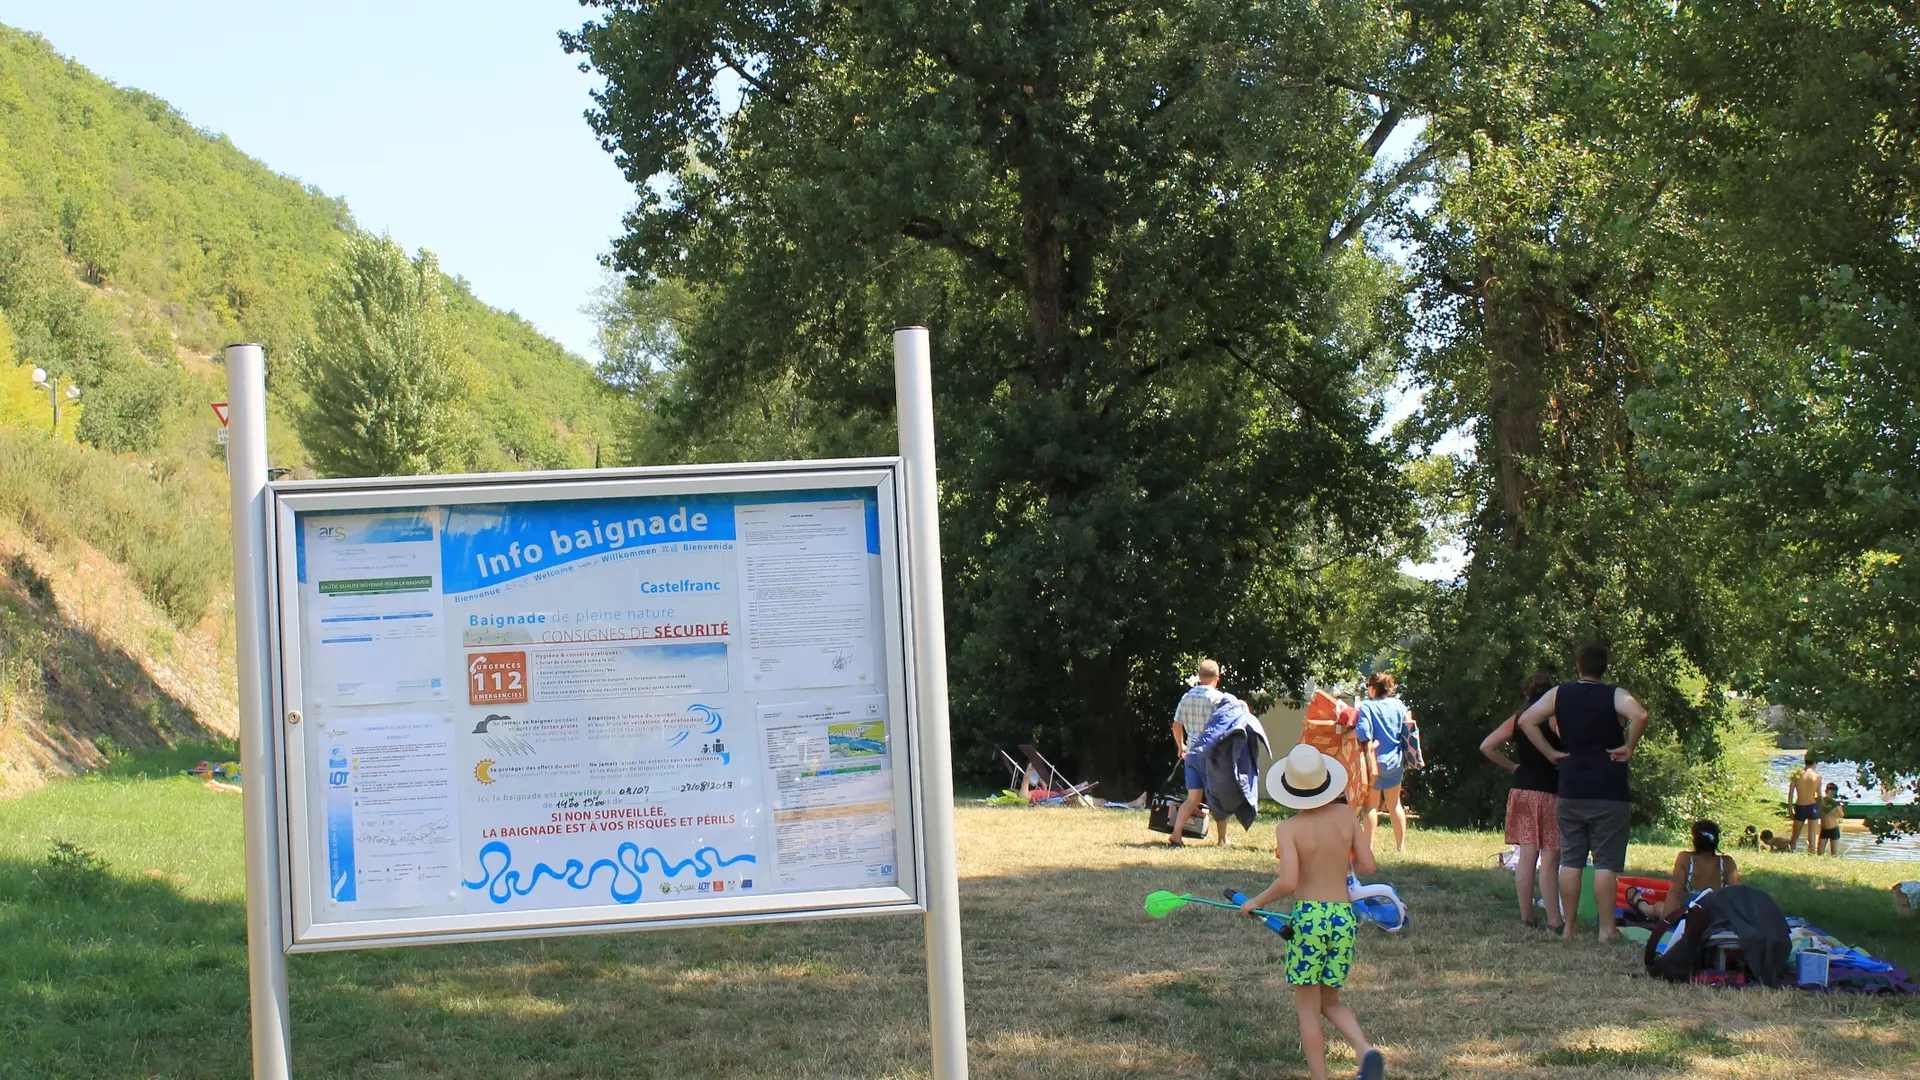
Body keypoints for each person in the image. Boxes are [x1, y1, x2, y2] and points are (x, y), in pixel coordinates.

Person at [1242, 743, 1386, 1080]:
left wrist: (1256, 902)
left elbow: (1289, 881)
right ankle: (1365, 1050)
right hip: (1343, 918)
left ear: (1290, 789)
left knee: (1308, 1009)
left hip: (1309, 921)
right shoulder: (1347, 816)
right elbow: (1368, 864)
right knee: (1329, 1002)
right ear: (1325, 782)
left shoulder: (1289, 828)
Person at [1517, 642, 1650, 943]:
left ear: (1578, 665)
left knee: (1572, 859)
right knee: (1605, 862)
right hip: (1609, 790)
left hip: (1571, 787)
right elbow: (1640, 715)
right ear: (1604, 667)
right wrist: (1629, 746)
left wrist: (1550, 751)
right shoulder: (1614, 694)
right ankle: (1606, 930)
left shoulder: (1560, 694)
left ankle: (1569, 926)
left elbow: (1526, 721)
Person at [1479, 672, 1563, 931]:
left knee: (1527, 855)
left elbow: (1487, 746)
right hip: (1551, 791)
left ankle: (1527, 917)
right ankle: (1554, 919)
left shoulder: (1518, 720)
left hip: (1523, 790)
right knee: (1550, 857)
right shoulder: (1555, 719)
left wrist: (1514, 767)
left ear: (1527, 694)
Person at [1627, 820, 1740, 921]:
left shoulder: (1685, 858)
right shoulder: (1726, 862)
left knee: (1658, 907)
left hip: (1687, 916)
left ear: (1695, 840)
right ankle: (1643, 905)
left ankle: (1641, 904)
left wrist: (1665, 921)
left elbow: (1675, 891)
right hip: (1715, 916)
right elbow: (1737, 893)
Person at [1169, 659, 1229, 846]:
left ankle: (1176, 834)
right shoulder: (1218, 699)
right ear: (1217, 677)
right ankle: (1222, 839)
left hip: (1192, 754)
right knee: (1218, 798)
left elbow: (1176, 726)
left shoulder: (1187, 697)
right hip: (1211, 755)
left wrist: (1181, 746)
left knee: (1192, 798)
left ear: (1200, 676)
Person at [1354, 672, 1412, 853]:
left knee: (1371, 806)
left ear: (1372, 688)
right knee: (1395, 804)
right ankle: (1400, 847)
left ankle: (1368, 847)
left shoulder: (1367, 706)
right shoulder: (1398, 705)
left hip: (1374, 762)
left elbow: (1363, 733)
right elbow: (1409, 726)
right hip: (1395, 761)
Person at [1787, 758, 1824, 853]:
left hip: (1800, 806)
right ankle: (1812, 856)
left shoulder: (1797, 774)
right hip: (1813, 806)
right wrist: (1821, 809)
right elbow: (1819, 795)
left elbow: (1790, 793)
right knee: (1812, 837)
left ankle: (1791, 852)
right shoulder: (1817, 776)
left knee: (1795, 836)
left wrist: (1790, 808)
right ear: (1815, 763)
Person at [1816, 783, 1846, 857]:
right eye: (1830, 792)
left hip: (1834, 829)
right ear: (1826, 791)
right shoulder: (1822, 801)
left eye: (1833, 792)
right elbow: (1819, 811)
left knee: (1834, 854)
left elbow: (1841, 815)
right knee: (1819, 853)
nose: (1831, 794)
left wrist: (1835, 805)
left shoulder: (1836, 803)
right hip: (1824, 829)